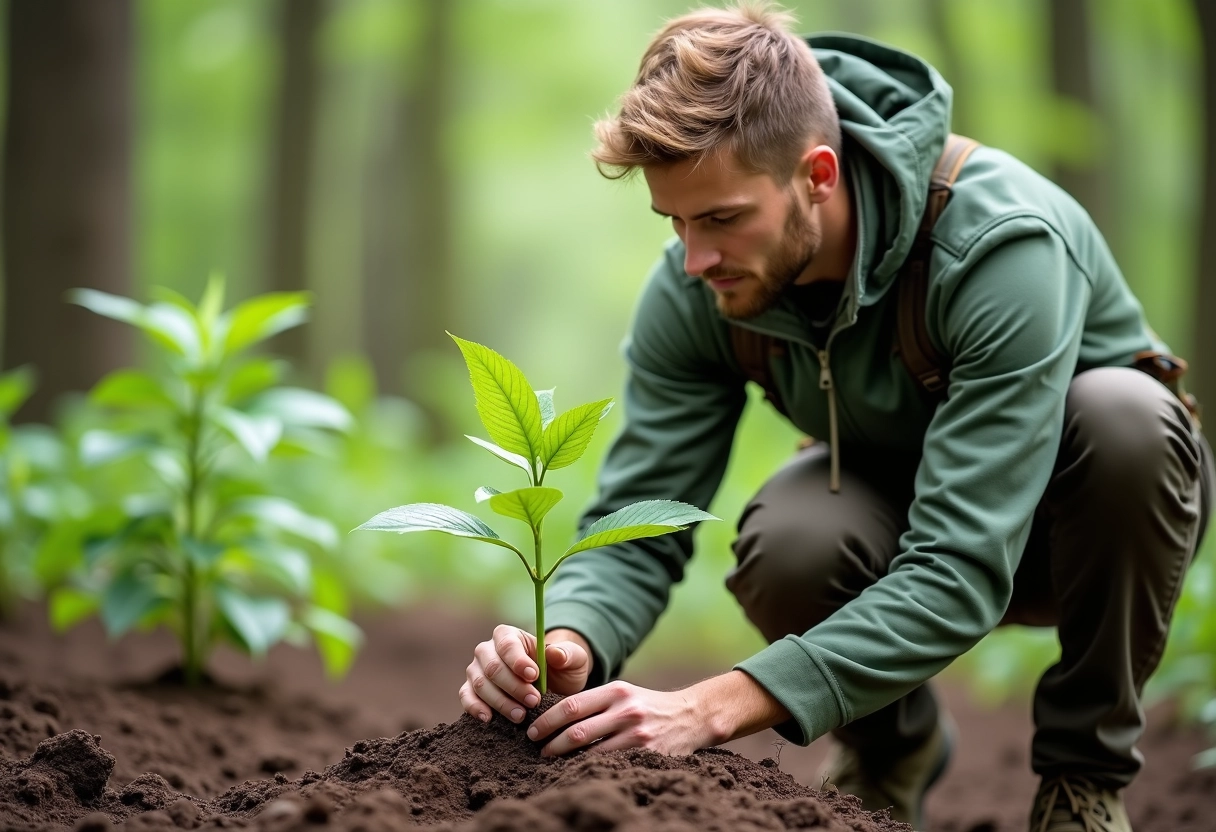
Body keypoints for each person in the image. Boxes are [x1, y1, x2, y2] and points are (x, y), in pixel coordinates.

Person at [456, 4, 1215, 830]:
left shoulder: (999, 245)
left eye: (721, 218)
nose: (694, 257)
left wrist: (714, 706)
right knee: (792, 534)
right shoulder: (697, 286)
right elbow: (641, 518)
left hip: (1081, 527)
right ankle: (889, 751)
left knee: (1126, 417)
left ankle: (1084, 778)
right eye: (673, 222)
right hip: (892, 515)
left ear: (818, 175)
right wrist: (569, 639)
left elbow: (959, 563)